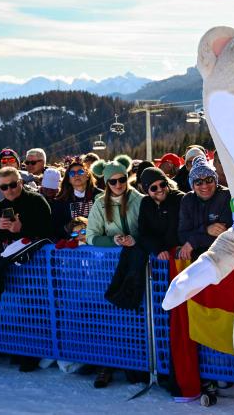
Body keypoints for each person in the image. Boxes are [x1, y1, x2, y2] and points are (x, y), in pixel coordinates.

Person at [0, 166, 52, 372]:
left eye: (13, 184)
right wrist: (0, 229)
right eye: (4, 187)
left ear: (21, 182)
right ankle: (24, 348)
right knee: (20, 310)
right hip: (14, 267)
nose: (10, 190)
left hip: (37, 265)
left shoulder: (36, 200)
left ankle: (36, 352)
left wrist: (22, 228)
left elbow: (48, 231)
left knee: (38, 309)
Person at [87, 155, 144, 388]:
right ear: (106, 182)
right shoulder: (100, 204)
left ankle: (136, 363)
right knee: (110, 317)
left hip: (137, 266)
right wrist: (114, 241)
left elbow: (150, 229)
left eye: (122, 180)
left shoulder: (139, 199)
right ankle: (107, 363)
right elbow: (91, 236)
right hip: (108, 268)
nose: (118, 185)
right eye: (113, 182)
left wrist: (135, 239)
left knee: (136, 315)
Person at [178, 156, 232, 261]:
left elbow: (224, 234)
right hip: (194, 257)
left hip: (222, 256)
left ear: (215, 181)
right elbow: (182, 235)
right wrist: (207, 230)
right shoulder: (187, 200)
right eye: (198, 182)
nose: (204, 186)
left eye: (209, 180)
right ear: (192, 185)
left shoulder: (226, 196)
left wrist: (193, 242)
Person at [138, 167, 185, 259]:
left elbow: (176, 229)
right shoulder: (146, 203)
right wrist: (158, 248)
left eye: (162, 185)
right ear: (147, 190)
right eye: (154, 188)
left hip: (180, 254)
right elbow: (143, 232)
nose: (160, 189)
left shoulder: (180, 199)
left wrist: (165, 248)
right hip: (159, 255)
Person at [52, 159, 102, 240]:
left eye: (80, 172)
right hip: (72, 245)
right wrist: (68, 228)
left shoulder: (100, 196)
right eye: (72, 173)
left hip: (97, 242)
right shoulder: (60, 200)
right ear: (68, 179)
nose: (76, 175)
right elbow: (55, 228)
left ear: (87, 175)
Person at [0, 148, 36, 216]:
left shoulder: (29, 182)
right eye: (4, 161)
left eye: (12, 160)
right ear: (0, 165)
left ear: (17, 164)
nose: (8, 163)